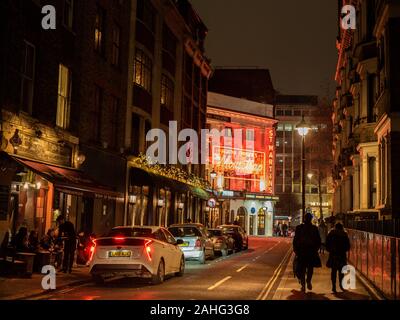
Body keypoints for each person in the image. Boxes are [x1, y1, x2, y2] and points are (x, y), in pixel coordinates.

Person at [293, 213, 322, 292]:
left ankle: (303, 285)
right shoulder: (314, 228)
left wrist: (296, 250)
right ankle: (308, 281)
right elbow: (318, 240)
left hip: (301, 251)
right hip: (311, 251)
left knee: (301, 268)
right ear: (311, 219)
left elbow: (295, 240)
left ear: (304, 218)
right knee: (310, 268)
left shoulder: (299, 228)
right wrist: (316, 249)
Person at [326, 222, 350, 293]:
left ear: (335, 227)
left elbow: (327, 243)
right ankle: (341, 285)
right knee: (341, 271)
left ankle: (333, 286)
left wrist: (330, 250)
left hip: (333, 255)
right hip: (341, 255)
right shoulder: (344, 234)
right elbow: (348, 246)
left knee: (333, 271)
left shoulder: (331, 233)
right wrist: (343, 250)